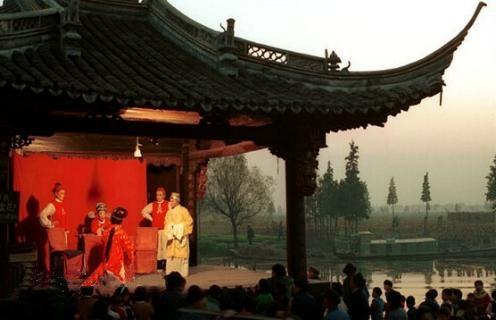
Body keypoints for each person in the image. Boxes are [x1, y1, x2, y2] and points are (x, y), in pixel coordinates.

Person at [82, 207, 134, 286]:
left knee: (89, 283)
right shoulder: (121, 233)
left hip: (105, 264)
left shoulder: (106, 232)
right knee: (120, 287)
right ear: (121, 220)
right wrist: (129, 262)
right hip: (116, 266)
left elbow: (105, 243)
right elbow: (130, 251)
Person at [39, 182, 69, 276]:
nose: (63, 195)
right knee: (56, 255)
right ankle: (54, 277)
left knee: (61, 255)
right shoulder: (52, 205)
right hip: (56, 234)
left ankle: (59, 277)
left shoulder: (62, 204)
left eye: (64, 193)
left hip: (62, 233)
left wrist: (66, 230)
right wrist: (50, 224)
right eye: (61, 193)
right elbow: (42, 215)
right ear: (56, 193)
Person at [165, 192, 193, 277]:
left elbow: (189, 222)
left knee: (181, 255)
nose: (171, 202)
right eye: (171, 200)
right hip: (172, 238)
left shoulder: (184, 210)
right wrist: (170, 227)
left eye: (173, 200)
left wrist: (179, 227)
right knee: (171, 257)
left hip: (180, 238)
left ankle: (181, 274)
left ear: (177, 201)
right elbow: (166, 222)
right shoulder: (169, 212)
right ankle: (170, 274)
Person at [141, 186, 169, 270]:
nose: (158, 197)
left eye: (160, 195)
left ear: (164, 195)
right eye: (157, 195)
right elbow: (143, 212)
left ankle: (166, 265)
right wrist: (152, 219)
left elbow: (172, 214)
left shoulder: (168, 204)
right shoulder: (153, 204)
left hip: (165, 229)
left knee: (165, 246)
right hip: (155, 229)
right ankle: (159, 265)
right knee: (157, 247)